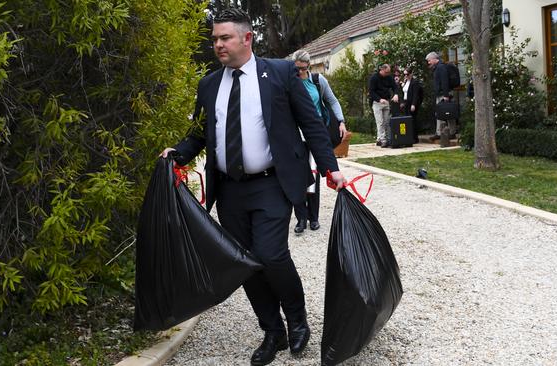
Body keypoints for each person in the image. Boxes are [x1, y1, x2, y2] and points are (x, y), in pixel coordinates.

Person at [159, 9, 346, 366]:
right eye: (214, 39)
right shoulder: (210, 84)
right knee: (245, 263)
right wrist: (178, 154)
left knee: (272, 254)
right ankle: (272, 330)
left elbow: (312, 124)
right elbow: (200, 132)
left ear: (247, 38)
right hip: (229, 189)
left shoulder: (280, 73)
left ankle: (297, 319)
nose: (217, 45)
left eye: (224, 38)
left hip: (272, 183)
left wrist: (330, 169)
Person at [291, 49, 346, 235]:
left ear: (308, 65)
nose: (299, 72)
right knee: (298, 176)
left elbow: (332, 100)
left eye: (302, 68)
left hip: (315, 134)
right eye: (296, 68)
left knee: (314, 177)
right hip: (295, 136)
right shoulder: (289, 81)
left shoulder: (317, 81)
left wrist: (341, 121)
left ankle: (313, 217)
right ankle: (301, 218)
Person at [425, 52, 457, 141]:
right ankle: (439, 132)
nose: (429, 62)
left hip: (444, 94)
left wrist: (446, 95)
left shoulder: (441, 67)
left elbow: (445, 81)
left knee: (448, 112)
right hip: (440, 94)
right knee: (440, 113)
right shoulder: (437, 68)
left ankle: (451, 132)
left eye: (429, 60)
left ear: (434, 59)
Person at [368, 64, 399, 148]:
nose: (388, 74)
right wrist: (379, 99)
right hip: (377, 103)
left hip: (386, 102)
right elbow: (371, 92)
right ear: (381, 70)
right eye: (386, 72)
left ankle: (379, 139)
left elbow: (395, 87)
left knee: (386, 122)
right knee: (380, 122)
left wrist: (396, 94)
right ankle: (383, 140)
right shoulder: (374, 78)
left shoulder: (389, 77)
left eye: (389, 72)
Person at [400, 67, 424, 144]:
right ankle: (408, 136)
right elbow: (404, 93)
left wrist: (413, 104)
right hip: (406, 102)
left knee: (412, 120)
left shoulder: (414, 82)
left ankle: (414, 138)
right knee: (406, 120)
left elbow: (415, 94)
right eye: (404, 74)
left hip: (411, 103)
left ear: (411, 74)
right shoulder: (406, 81)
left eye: (407, 74)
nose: (406, 76)